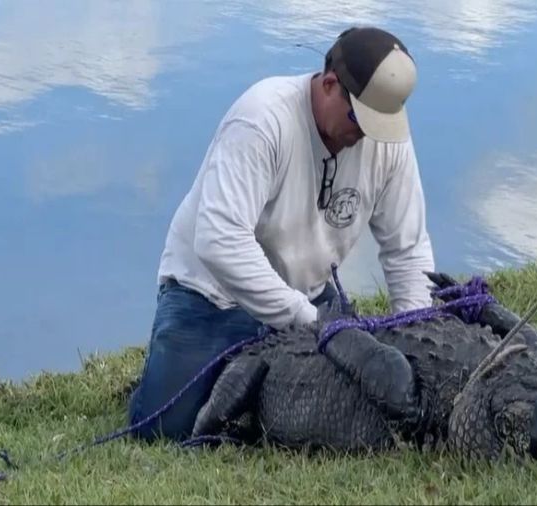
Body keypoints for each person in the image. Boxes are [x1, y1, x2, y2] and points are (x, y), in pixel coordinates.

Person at [128, 26, 436, 443]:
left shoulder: (385, 138)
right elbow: (219, 239)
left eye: (378, 126)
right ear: (329, 85)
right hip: (212, 298)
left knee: (362, 414)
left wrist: (413, 332)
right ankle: (174, 370)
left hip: (310, 298)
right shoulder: (261, 119)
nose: (365, 135)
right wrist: (305, 319)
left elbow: (408, 250)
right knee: (166, 432)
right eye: (359, 121)